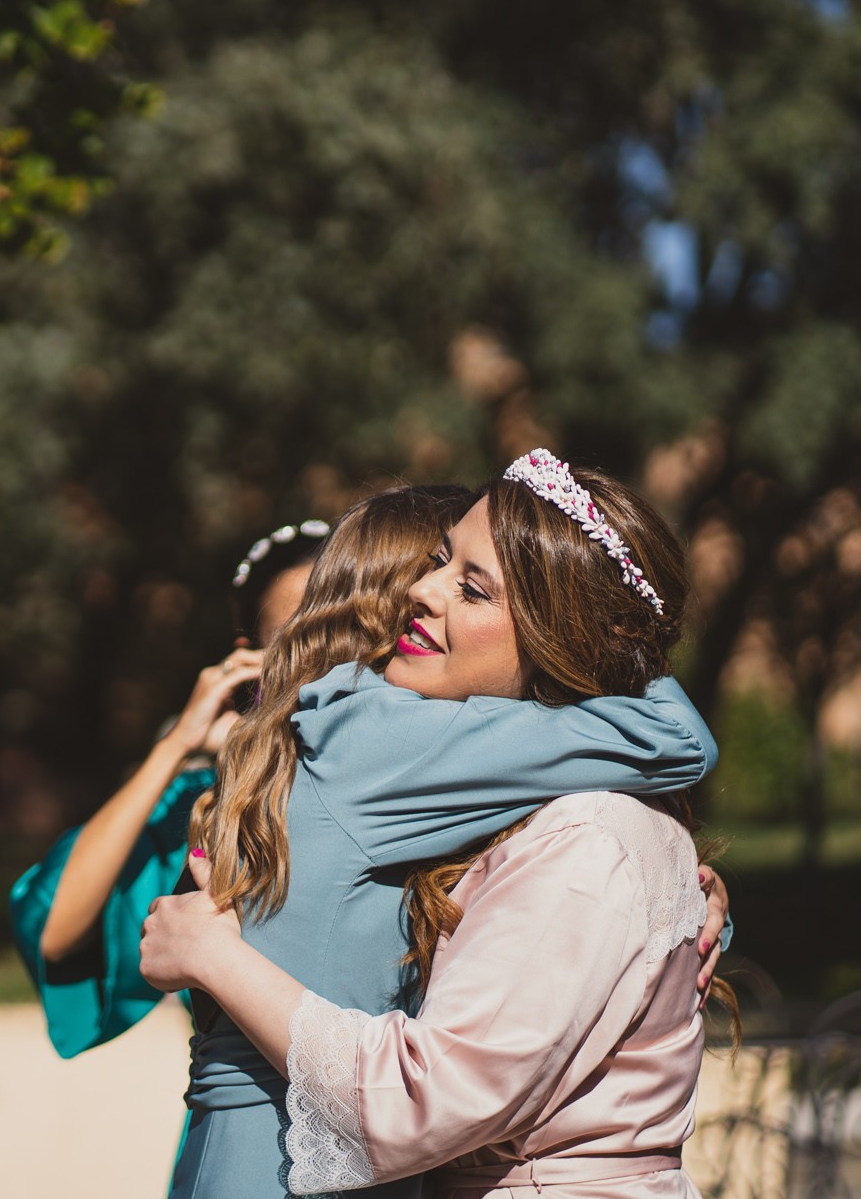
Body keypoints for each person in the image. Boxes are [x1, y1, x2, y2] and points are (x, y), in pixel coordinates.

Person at [140, 451, 720, 1197]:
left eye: (470, 584)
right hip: (283, 1157)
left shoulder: (396, 765)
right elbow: (676, 737)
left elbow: (524, 912)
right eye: (435, 562)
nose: (423, 592)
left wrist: (686, 899)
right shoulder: (378, 738)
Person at [8, 514, 349, 1056]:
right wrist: (176, 749)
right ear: (250, 656)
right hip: (236, 1119)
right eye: (300, 638)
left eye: (349, 629)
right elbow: (54, 929)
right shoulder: (208, 807)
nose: (331, 660)